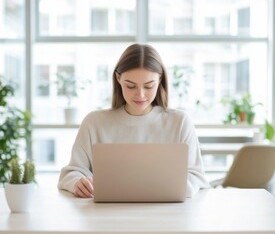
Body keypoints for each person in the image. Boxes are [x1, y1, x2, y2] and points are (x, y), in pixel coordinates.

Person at [57, 43, 210, 198]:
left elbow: (197, 177)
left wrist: (161, 190)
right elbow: (71, 173)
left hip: (167, 215)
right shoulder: (94, 123)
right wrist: (77, 182)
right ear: (118, 78)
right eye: (131, 86)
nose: (140, 95)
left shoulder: (180, 122)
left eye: (149, 86)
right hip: (106, 216)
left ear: (160, 79)